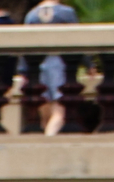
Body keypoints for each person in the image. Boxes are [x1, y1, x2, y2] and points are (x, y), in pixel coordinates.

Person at [22, 0, 77, 133]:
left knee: (45, 116)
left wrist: (23, 70)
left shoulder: (32, 15)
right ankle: (49, 140)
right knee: (59, 112)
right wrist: (89, 64)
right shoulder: (67, 12)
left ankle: (45, 140)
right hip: (59, 64)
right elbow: (77, 38)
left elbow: (25, 45)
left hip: (38, 66)